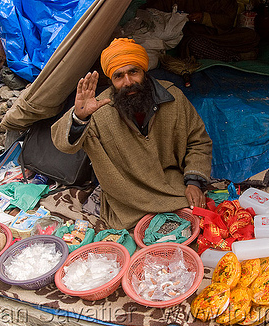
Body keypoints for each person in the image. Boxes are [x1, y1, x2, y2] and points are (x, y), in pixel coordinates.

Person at [51, 38, 213, 230]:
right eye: (119, 76)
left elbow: (198, 142)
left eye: (133, 72)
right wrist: (79, 116)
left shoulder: (173, 98)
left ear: (144, 71)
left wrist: (193, 182)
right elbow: (63, 143)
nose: (128, 82)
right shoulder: (98, 109)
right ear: (111, 81)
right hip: (127, 200)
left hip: (172, 187)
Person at [142, 0, 261, 61]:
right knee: (194, 45)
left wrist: (204, 18)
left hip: (221, 37)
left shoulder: (226, 2)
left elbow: (227, 20)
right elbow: (158, 5)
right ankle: (237, 56)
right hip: (196, 37)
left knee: (251, 36)